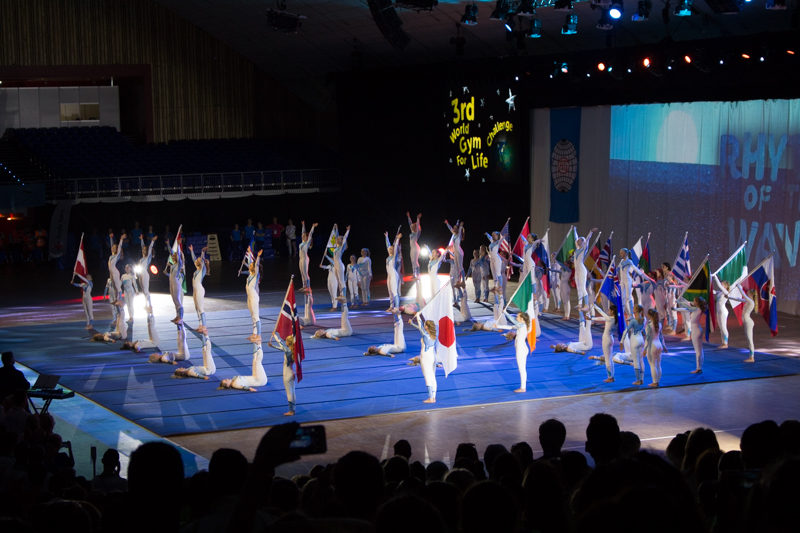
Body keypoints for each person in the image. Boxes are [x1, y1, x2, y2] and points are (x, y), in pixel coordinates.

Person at [498, 311, 532, 392]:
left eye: (518, 316)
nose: (516, 318)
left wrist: (506, 313)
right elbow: (510, 327)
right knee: (522, 368)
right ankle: (523, 387)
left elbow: (512, 320)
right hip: (522, 348)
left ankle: (523, 388)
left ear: (522, 319)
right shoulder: (521, 325)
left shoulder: (522, 325)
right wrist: (498, 326)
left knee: (522, 369)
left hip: (521, 350)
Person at [674, 297, 707, 374]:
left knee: (698, 350)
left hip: (696, 331)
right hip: (697, 329)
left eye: (694, 301)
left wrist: (679, 302)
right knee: (699, 350)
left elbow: (687, 306)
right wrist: (675, 309)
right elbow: (686, 308)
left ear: (697, 303)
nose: (693, 302)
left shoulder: (696, 309)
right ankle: (699, 367)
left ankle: (698, 368)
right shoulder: (697, 309)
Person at [409, 315, 437, 403]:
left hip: (426, 357)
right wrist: (412, 324)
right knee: (432, 376)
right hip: (433, 356)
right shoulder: (434, 335)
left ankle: (431, 398)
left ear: (427, 327)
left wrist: (418, 316)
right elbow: (420, 328)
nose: (424, 326)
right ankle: (434, 397)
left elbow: (420, 326)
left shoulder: (425, 335)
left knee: (427, 376)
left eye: (425, 325)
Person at [269, 334, 297, 415]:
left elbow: (280, 345)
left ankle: (291, 411)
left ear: (289, 342)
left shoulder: (288, 351)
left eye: (286, 341)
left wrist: (272, 344)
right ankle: (293, 409)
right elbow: (281, 345)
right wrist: (275, 336)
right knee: (292, 391)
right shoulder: (293, 350)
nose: (285, 342)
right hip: (291, 372)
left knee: (289, 393)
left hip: (287, 374)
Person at [620, 305, 646, 385]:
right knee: (641, 360)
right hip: (641, 340)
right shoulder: (644, 319)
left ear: (635, 311)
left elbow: (626, 331)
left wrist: (621, 341)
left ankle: (638, 380)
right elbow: (644, 331)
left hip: (634, 340)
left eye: (634, 309)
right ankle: (642, 379)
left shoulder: (633, 321)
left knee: (636, 361)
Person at [728, 288, 756, 362]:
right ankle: (751, 356)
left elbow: (743, 295)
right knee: (748, 339)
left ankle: (752, 357)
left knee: (750, 340)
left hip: (748, 322)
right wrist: (729, 297)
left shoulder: (751, 301)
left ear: (751, 294)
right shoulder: (747, 301)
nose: (747, 293)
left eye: (748, 293)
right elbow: (738, 299)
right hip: (746, 322)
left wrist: (739, 287)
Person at [591, 303, 618, 383]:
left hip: (606, 339)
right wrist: (591, 318)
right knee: (610, 359)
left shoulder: (610, 319)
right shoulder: (614, 319)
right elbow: (602, 318)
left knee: (607, 359)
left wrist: (594, 305)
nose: (608, 311)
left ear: (612, 311)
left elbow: (601, 313)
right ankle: (612, 376)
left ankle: (610, 377)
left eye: (609, 310)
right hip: (611, 338)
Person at [573, 228, 598, 309]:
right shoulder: (577, 249)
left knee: (583, 287)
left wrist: (590, 232)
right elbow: (575, 238)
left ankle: (586, 305)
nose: (578, 241)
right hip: (577, 270)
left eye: (579, 240)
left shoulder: (584, 249)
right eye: (578, 241)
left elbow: (587, 240)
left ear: (583, 242)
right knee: (578, 287)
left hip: (582, 269)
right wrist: (574, 230)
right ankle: (580, 304)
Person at [189, 245, 210, 334]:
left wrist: (202, 252)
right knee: (197, 308)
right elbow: (194, 259)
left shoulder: (202, 270)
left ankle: (204, 327)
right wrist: (192, 251)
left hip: (199, 290)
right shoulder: (197, 269)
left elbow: (201, 259)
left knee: (201, 308)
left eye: (198, 259)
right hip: (195, 291)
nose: (196, 260)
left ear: (201, 263)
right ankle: (200, 325)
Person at [643, 308, 666, 387]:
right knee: (658, 364)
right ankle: (657, 380)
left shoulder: (649, 326)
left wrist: (645, 349)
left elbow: (648, 338)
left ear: (649, 315)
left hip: (652, 346)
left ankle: (654, 382)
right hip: (659, 345)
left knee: (652, 365)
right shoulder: (659, 324)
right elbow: (661, 336)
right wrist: (664, 346)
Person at [165, 235, 185, 325]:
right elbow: (171, 252)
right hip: (171, 283)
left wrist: (178, 245)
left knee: (177, 301)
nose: (173, 256)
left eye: (175, 256)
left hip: (176, 283)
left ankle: (181, 318)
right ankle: (177, 316)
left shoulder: (179, 264)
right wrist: (168, 244)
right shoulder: (173, 265)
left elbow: (178, 254)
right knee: (174, 301)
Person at [246, 249, 263, 342]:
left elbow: (256, 265)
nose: (249, 266)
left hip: (254, 298)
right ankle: (254, 333)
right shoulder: (250, 274)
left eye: (251, 266)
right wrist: (249, 253)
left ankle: (259, 336)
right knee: (252, 316)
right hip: (249, 297)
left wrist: (258, 257)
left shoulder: (256, 275)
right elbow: (250, 263)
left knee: (256, 316)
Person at [385, 231, 402, 312]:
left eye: (391, 249)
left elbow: (395, 248)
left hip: (394, 275)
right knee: (390, 292)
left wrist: (397, 239)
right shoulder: (388, 257)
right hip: (389, 276)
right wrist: (386, 237)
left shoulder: (395, 257)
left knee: (394, 291)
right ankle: (391, 306)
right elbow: (387, 245)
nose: (390, 249)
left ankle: (397, 308)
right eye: (389, 249)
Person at [298, 221, 318, 291]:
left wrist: (313, 227)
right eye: (302, 235)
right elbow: (303, 232)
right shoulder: (302, 242)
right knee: (302, 273)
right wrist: (303, 225)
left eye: (304, 236)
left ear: (307, 237)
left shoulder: (307, 243)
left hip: (305, 259)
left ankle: (308, 287)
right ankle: (304, 286)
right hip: (301, 259)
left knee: (305, 273)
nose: (303, 236)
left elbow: (310, 234)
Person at [334, 224, 351, 301]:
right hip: (336, 265)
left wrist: (347, 230)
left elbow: (345, 238)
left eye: (339, 239)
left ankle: (344, 295)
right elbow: (337, 236)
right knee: (338, 281)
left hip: (340, 265)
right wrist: (336, 228)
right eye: (337, 239)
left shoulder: (341, 247)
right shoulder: (337, 247)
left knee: (341, 280)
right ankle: (341, 294)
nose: (337, 239)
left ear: (341, 241)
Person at [713, 276, 731, 348]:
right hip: (719, 311)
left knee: (723, 327)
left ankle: (726, 343)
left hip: (723, 311)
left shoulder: (726, 292)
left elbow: (719, 286)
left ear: (726, 286)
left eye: (722, 284)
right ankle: (723, 342)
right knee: (721, 327)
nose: (721, 284)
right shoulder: (720, 292)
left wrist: (715, 277)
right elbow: (713, 292)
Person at [407, 212, 422, 279]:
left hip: (415, 248)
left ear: (415, 227)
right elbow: (410, 223)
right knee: (413, 261)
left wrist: (418, 218)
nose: (411, 225)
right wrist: (408, 217)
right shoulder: (412, 231)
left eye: (413, 225)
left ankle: (418, 274)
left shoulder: (416, 233)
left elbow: (417, 224)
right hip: (412, 248)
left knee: (415, 261)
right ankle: (414, 274)